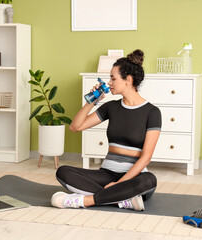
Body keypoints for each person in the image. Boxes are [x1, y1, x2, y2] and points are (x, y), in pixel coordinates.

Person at [51, 49, 161, 211]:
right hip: (106, 174)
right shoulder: (111, 107)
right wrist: (92, 101)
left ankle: (84, 201)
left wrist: (120, 183)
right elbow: (76, 127)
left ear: (128, 80)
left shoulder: (152, 112)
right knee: (63, 171)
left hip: (133, 178)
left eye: (113, 78)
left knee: (149, 180)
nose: (109, 82)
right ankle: (121, 200)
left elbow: (146, 157)